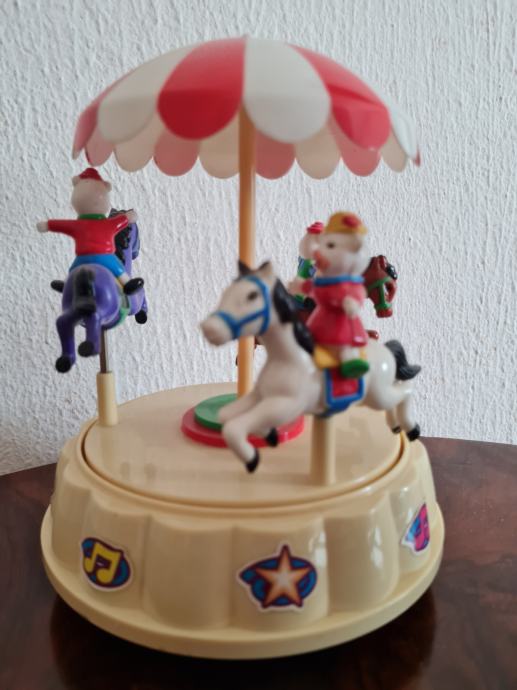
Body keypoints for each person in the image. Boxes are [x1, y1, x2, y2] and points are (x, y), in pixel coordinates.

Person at [37, 168, 143, 295]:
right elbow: (62, 225)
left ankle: (67, 283)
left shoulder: (85, 225)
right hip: (101, 257)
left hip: (86, 258)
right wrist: (128, 217)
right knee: (116, 268)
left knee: (76, 268)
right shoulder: (85, 225)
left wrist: (48, 225)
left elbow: (62, 225)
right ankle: (126, 283)